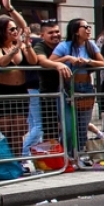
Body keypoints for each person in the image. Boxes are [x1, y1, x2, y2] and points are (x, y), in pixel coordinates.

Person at [0, 0, 39, 159]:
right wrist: (14, 50)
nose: (16, 32)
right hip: (1, 91)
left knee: (19, 129)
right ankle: (5, 160)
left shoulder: (20, 44)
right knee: (5, 129)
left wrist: (26, 47)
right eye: (12, 29)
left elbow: (33, 60)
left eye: (15, 29)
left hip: (20, 90)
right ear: (2, 31)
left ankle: (18, 160)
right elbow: (1, 62)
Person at [52, 18, 104, 160]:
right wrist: (67, 59)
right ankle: (67, 156)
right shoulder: (64, 46)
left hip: (86, 88)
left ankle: (79, 155)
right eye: (85, 27)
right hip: (68, 88)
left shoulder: (91, 45)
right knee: (69, 127)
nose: (89, 29)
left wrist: (89, 61)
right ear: (76, 31)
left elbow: (103, 63)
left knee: (82, 126)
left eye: (89, 26)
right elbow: (50, 61)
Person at [30, 20, 73, 148]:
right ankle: (53, 158)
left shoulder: (64, 45)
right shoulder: (40, 46)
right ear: (42, 35)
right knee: (50, 129)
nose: (55, 35)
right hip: (48, 93)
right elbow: (42, 61)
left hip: (67, 92)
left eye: (57, 31)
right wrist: (59, 63)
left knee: (70, 127)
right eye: (51, 32)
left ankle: (69, 155)